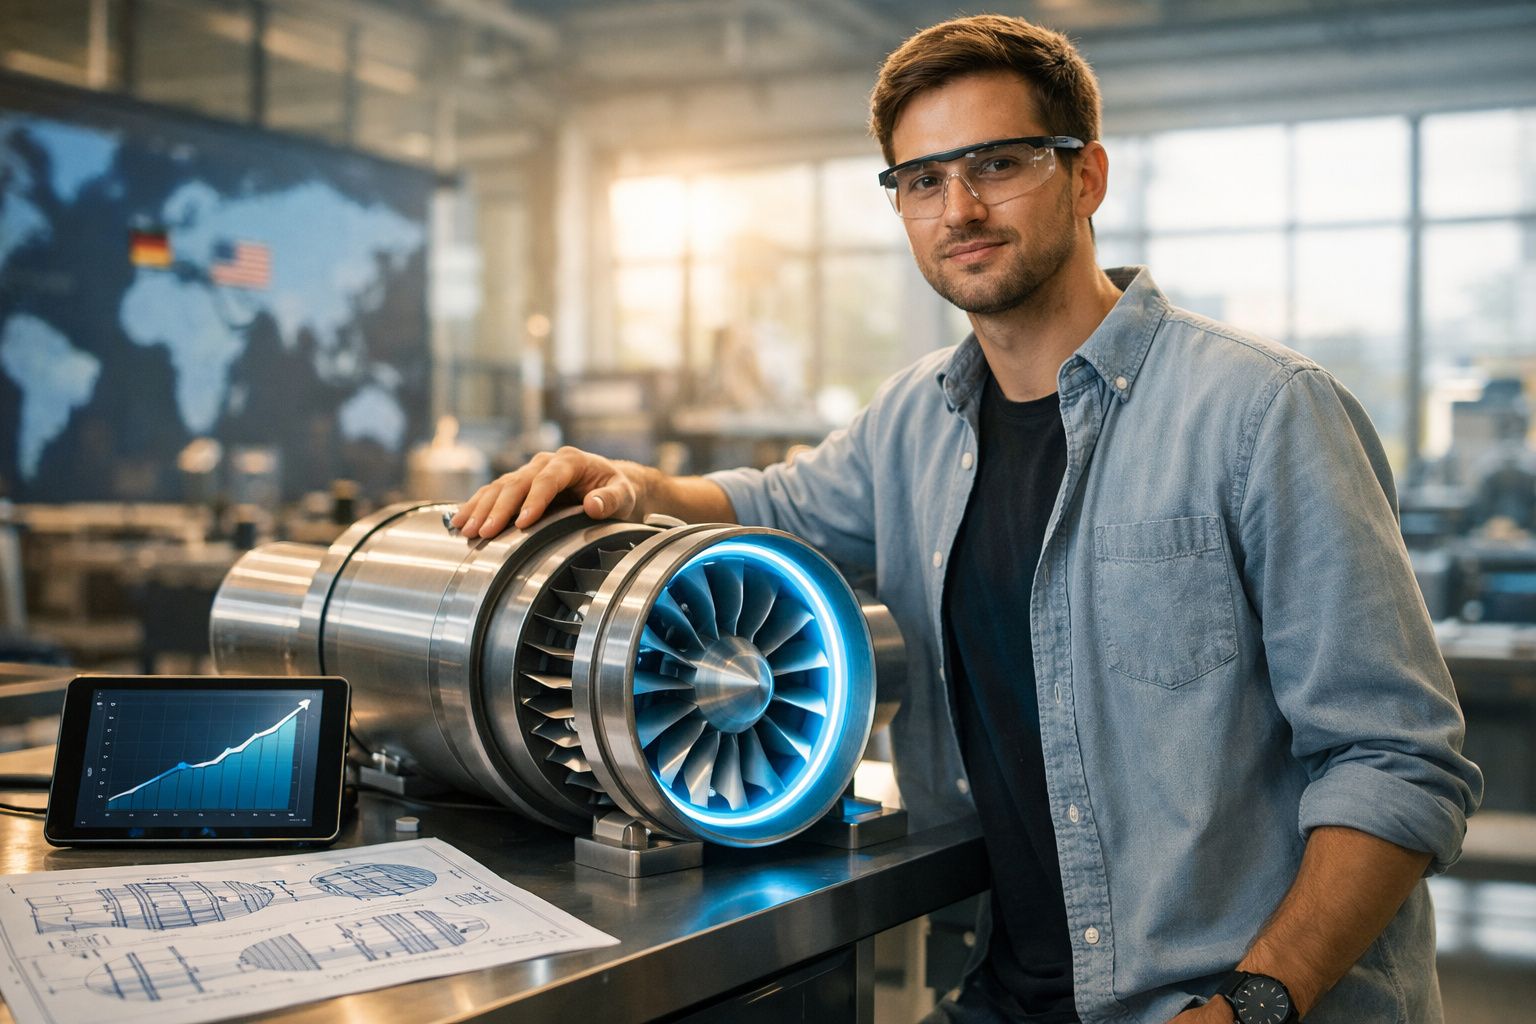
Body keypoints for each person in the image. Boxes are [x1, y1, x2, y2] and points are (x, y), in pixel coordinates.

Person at [453, 14, 1481, 1024]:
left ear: (1087, 177)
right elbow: (775, 504)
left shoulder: (1263, 412)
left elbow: (1396, 764)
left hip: (1225, 999)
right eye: (924, 179)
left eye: (997, 164)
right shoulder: (916, 420)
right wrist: (629, 483)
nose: (960, 208)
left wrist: (1251, 1003)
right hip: (1015, 988)